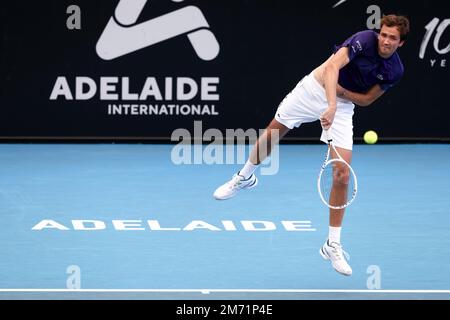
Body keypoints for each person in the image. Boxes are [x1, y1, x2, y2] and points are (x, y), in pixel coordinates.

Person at [213, 14, 410, 276]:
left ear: (401, 43)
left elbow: (366, 100)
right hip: (313, 89)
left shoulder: (394, 70)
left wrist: (340, 99)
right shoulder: (364, 40)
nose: (385, 40)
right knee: (273, 133)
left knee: (341, 174)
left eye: (392, 38)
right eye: (383, 34)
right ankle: (244, 177)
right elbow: (331, 68)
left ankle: (333, 244)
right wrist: (329, 103)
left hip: (342, 105)